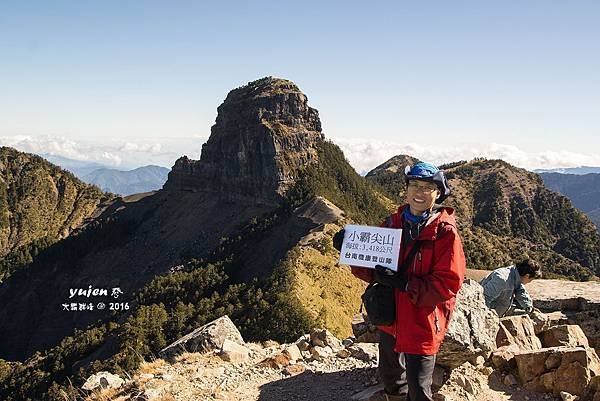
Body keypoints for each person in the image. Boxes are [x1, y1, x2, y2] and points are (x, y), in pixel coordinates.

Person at [334, 162, 466, 401]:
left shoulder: (444, 232)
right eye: (414, 185)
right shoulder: (392, 224)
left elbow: (448, 283)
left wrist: (405, 284)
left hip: (422, 321)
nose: (419, 192)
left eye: (427, 187)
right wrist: (348, 249)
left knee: (418, 388)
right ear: (406, 189)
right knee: (392, 380)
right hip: (391, 318)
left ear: (438, 193)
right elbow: (373, 268)